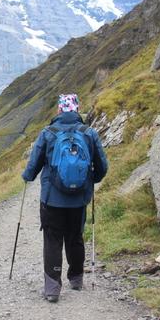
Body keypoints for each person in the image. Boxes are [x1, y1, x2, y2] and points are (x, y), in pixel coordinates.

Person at [22, 93, 108, 303]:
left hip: (52, 199)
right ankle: (76, 279)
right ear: (77, 109)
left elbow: (34, 165)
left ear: (59, 110)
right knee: (75, 236)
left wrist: (27, 176)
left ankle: (52, 289)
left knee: (52, 239)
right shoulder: (89, 133)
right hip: (79, 199)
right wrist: (91, 180)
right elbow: (102, 166)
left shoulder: (48, 133)